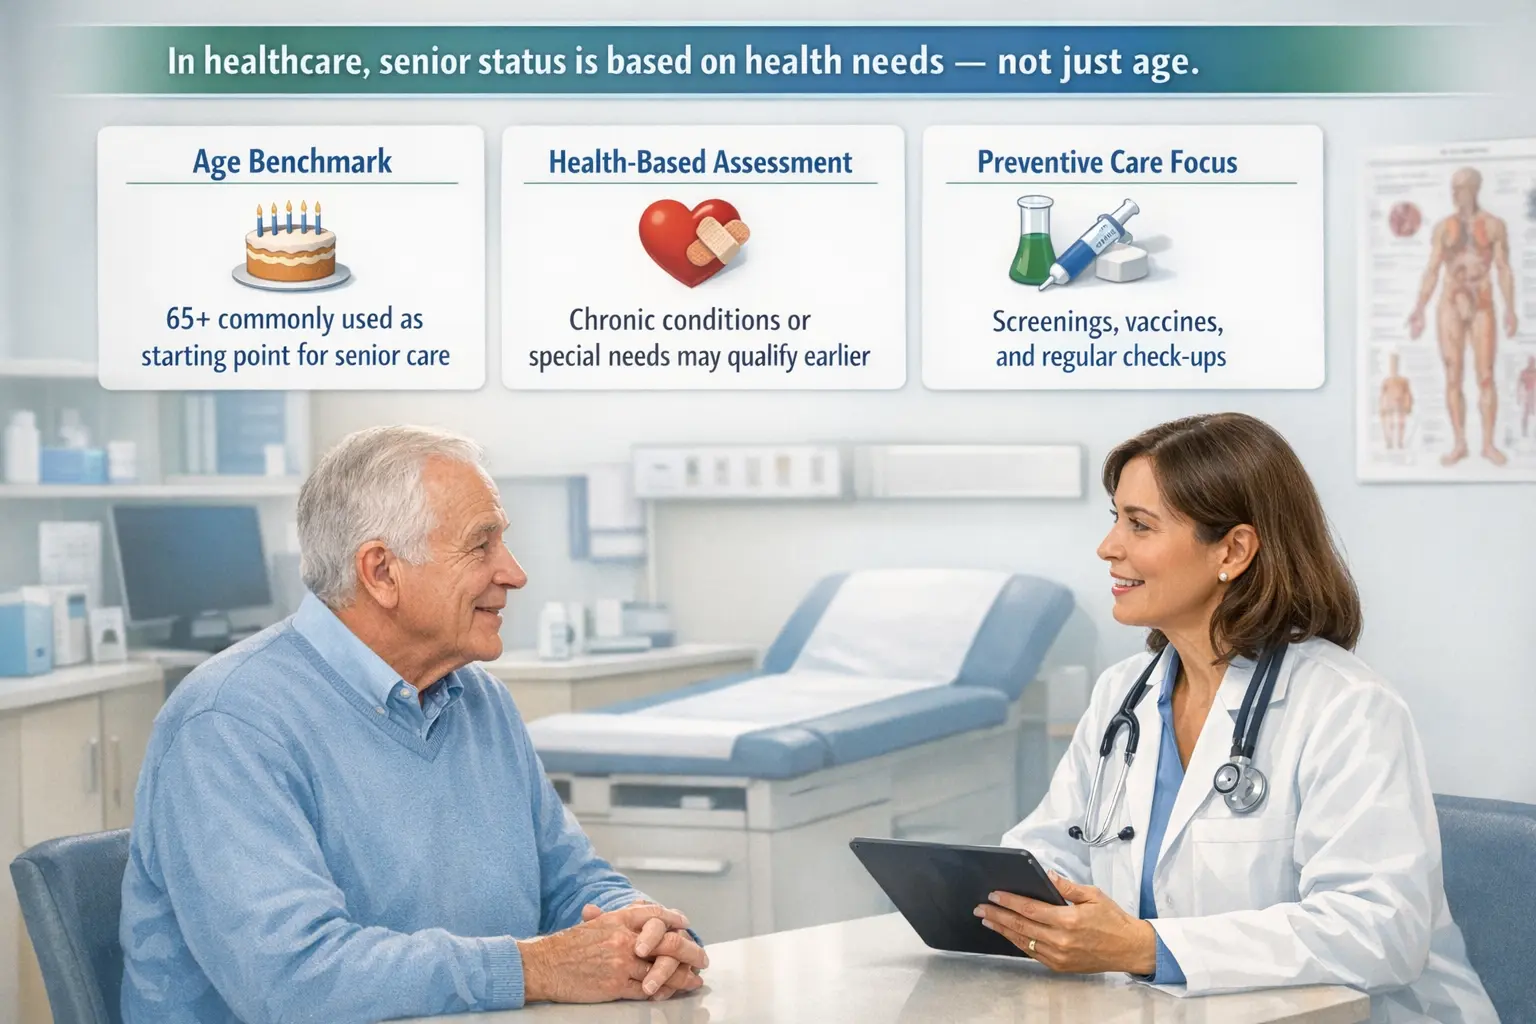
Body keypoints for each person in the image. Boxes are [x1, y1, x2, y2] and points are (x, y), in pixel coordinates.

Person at [120, 425, 707, 1023]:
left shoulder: (481, 702)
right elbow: (294, 981)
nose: (514, 573)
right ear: (381, 572)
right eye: (481, 546)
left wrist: (644, 934)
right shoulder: (227, 723)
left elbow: (572, 883)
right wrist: (537, 967)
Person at [982, 413, 1497, 1022]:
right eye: (1116, 517)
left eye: (1139, 524)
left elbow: (1379, 930)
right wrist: (997, 895)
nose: (1108, 547)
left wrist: (1146, 947)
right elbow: (1054, 851)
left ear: (1233, 550)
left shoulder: (1346, 706)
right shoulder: (1124, 694)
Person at [1406, 166, 1517, 468]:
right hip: (1451, 302)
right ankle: (1459, 443)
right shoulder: (1444, 227)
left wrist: (1510, 308)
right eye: (1453, 188)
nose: (1454, 194)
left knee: (1486, 374)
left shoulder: (1493, 225)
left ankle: (1488, 444)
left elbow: (1503, 268)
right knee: (1453, 374)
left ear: (1474, 189)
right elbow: (1432, 269)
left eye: (1460, 188)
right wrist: (1419, 308)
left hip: (1482, 300)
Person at [1379, 350, 1414, 449]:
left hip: (1400, 405)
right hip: (1390, 405)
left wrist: (1408, 405)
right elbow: (1383, 395)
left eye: (1395, 363)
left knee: (1401, 424)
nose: (1393, 366)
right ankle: (1389, 441)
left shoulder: (1403, 381)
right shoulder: (1386, 381)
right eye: (1392, 363)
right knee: (1389, 423)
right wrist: (1382, 407)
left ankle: (1400, 442)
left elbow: (1408, 393)